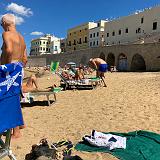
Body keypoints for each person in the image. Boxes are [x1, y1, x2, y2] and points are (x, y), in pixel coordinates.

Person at [1, 14, 27, 139]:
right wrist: (18, 68)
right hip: (19, 69)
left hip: (10, 69)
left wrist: (4, 67)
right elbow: (25, 59)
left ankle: (16, 132)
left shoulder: (6, 34)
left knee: (7, 99)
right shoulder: (22, 38)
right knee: (14, 97)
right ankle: (19, 125)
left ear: (6, 23)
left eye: (1, 24)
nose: (1, 26)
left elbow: (9, 50)